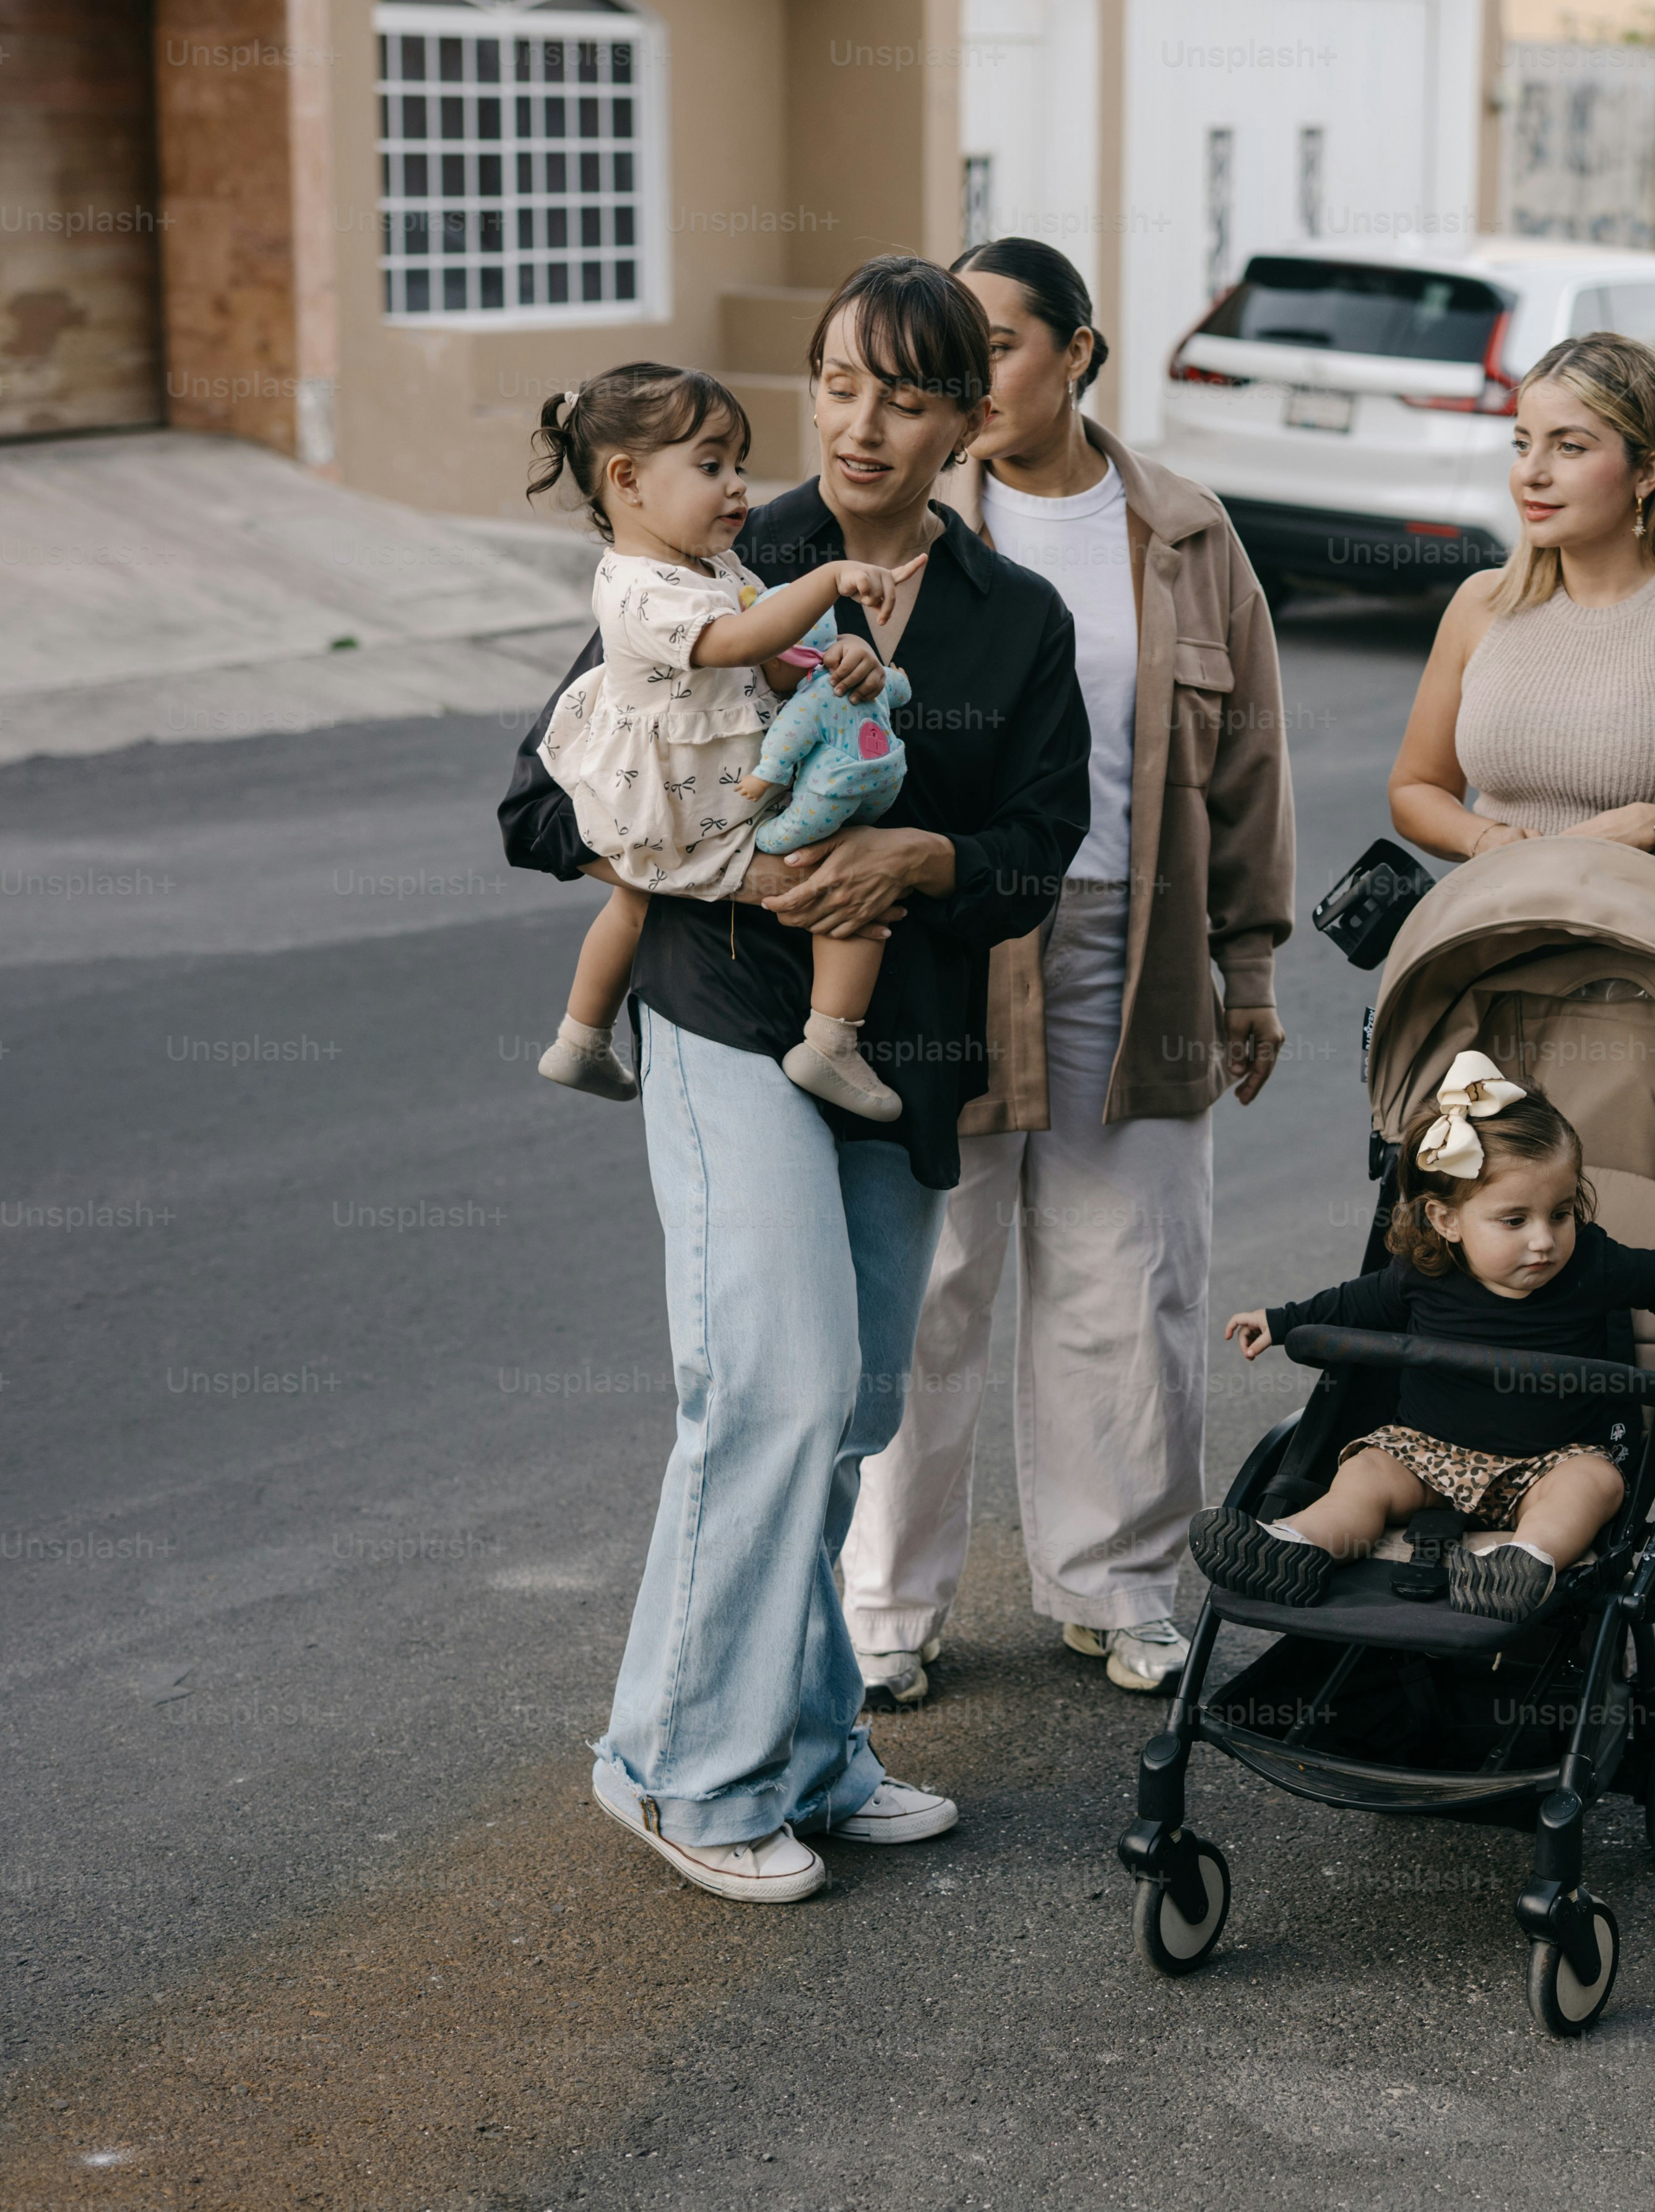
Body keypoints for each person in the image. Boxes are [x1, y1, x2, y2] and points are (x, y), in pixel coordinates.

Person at [495, 256, 1093, 1905]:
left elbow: (1037, 848)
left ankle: (812, 1743)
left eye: (904, 398)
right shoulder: (712, 561)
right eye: (836, 386)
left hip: (901, 1050)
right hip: (724, 1014)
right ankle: (680, 1766)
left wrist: (920, 857)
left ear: (970, 419)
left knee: (852, 1406)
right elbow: (540, 803)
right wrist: (716, 864)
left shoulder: (1014, 619)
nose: (859, 425)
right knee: (772, 1384)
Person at [838, 236, 1295, 1706]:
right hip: (945, 943)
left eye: (998, 346)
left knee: (1133, 1278)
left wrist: (1248, 968)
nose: (968, 380)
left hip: (1131, 945)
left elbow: (1248, 771)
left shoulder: (1187, 535)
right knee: (927, 1283)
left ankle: (1119, 1585)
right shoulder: (901, 522)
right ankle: (884, 1605)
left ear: (1079, 353)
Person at [1194, 1054, 1655, 1626]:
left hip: (1550, 1461)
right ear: (1446, 1221)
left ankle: (1523, 1561)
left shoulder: (1594, 1266)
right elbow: (1349, 1305)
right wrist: (1281, 1322)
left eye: (1561, 1213)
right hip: (1427, 1455)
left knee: (1593, 1485)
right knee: (1365, 1476)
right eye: (1515, 1221)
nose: (1544, 1241)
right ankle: (1298, 1543)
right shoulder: (1422, 1273)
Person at [522, 362, 922, 1120]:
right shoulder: (640, 588)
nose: (738, 486)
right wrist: (830, 579)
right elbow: (739, 642)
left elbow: (772, 665)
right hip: (688, 798)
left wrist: (831, 657)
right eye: (711, 466)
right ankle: (830, 1041)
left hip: (677, 792)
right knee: (846, 883)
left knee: (636, 904)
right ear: (628, 480)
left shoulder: (706, 568)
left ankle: (580, 1038)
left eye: (739, 464)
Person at [1386, 332, 1655, 878]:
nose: (1531, 473)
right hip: (1498, 919)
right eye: (1522, 444)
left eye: (1569, 447)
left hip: (1649, 929)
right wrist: (1485, 839)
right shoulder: (1482, 603)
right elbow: (1416, 787)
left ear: (1647, 472)